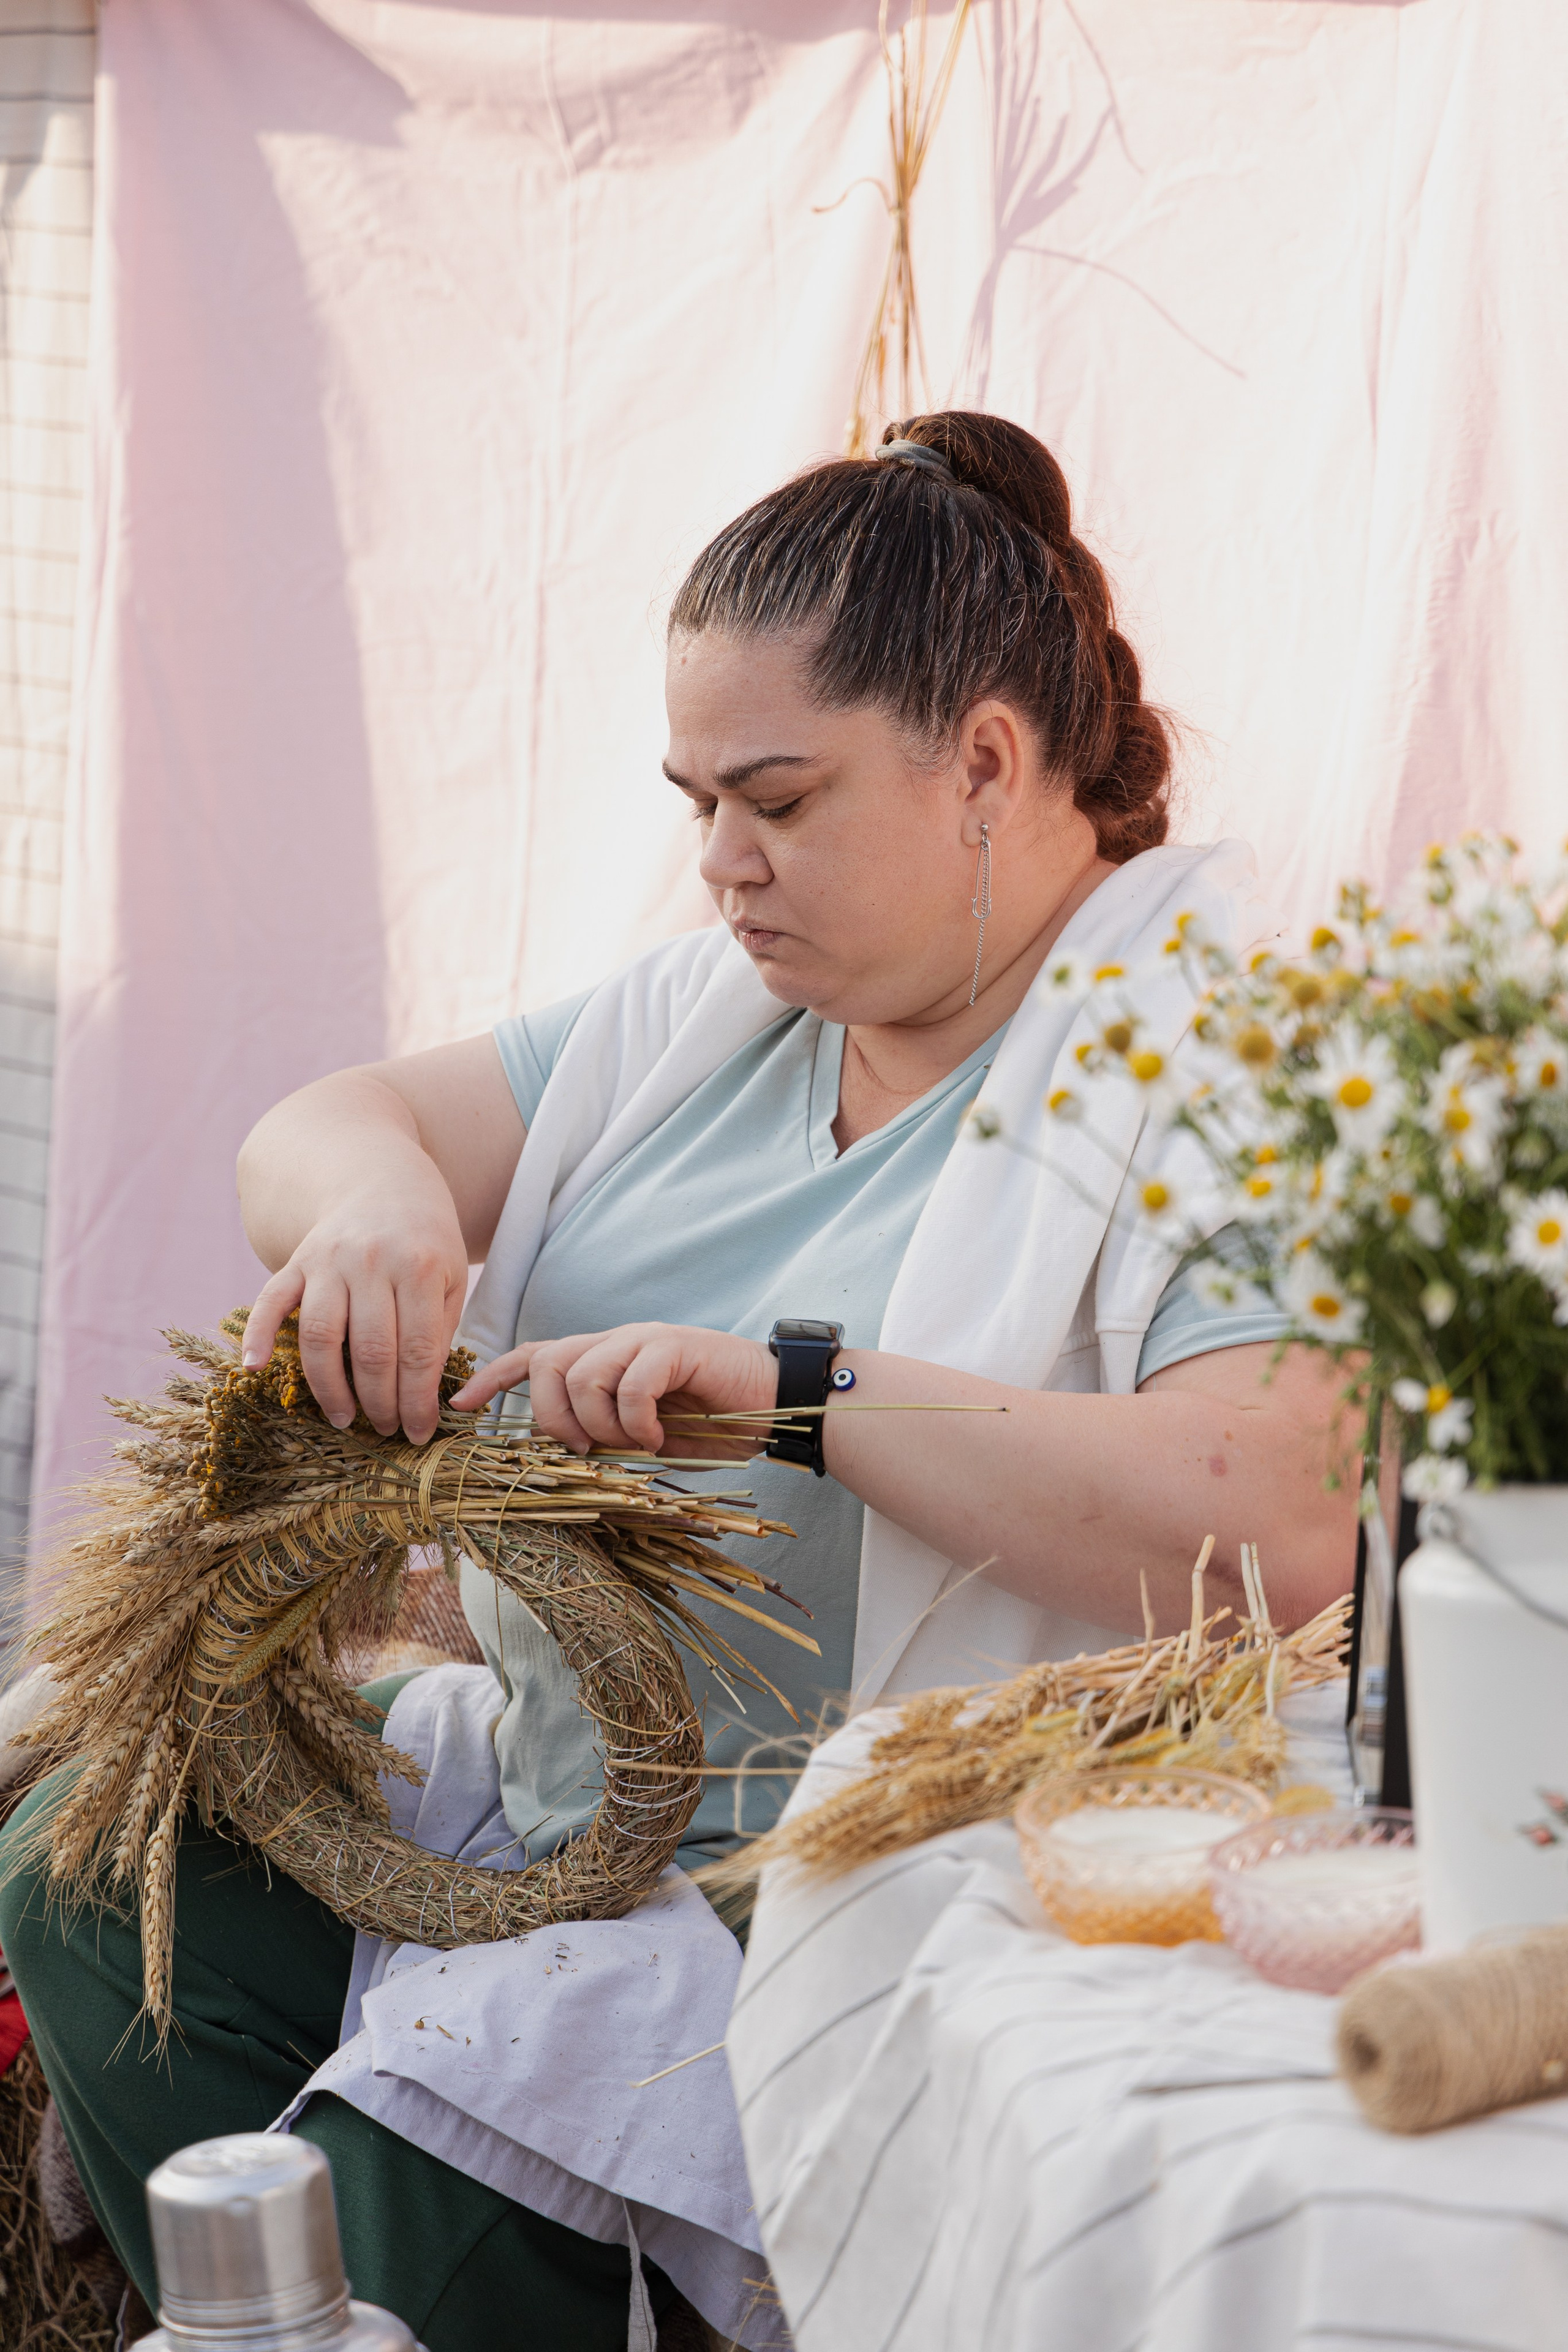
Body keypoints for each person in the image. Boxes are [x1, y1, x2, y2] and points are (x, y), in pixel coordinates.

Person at [0, 413, 1357, 2349]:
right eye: (696, 797)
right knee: (89, 1881)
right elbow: (325, 1126)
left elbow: (1279, 1516)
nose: (722, 862)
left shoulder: (1224, 1064)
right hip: (566, 1821)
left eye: (779, 798)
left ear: (986, 757)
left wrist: (800, 1388)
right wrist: (381, 1208)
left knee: (423, 2191)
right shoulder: (704, 1017)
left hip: (845, 1897)